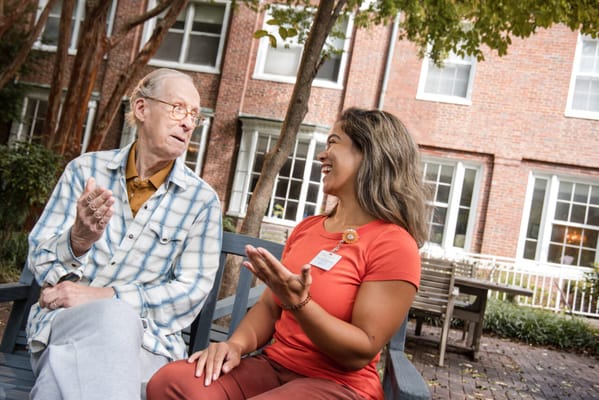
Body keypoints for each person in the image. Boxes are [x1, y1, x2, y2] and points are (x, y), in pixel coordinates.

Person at [146, 107, 430, 400]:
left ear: (369, 153)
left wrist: (300, 303)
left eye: (333, 142)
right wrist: (235, 346)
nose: (322, 155)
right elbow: (270, 308)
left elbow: (360, 351)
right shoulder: (308, 228)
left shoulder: (395, 244)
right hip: (273, 368)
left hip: (339, 385)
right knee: (172, 382)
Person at [26, 68, 223, 400]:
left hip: (148, 345)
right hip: (66, 325)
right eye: (178, 108)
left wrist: (105, 297)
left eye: (194, 115)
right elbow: (41, 262)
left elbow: (190, 292)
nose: (189, 123)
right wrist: (79, 240)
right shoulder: (84, 171)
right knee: (104, 334)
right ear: (142, 109)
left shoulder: (202, 202)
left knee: (62, 375)